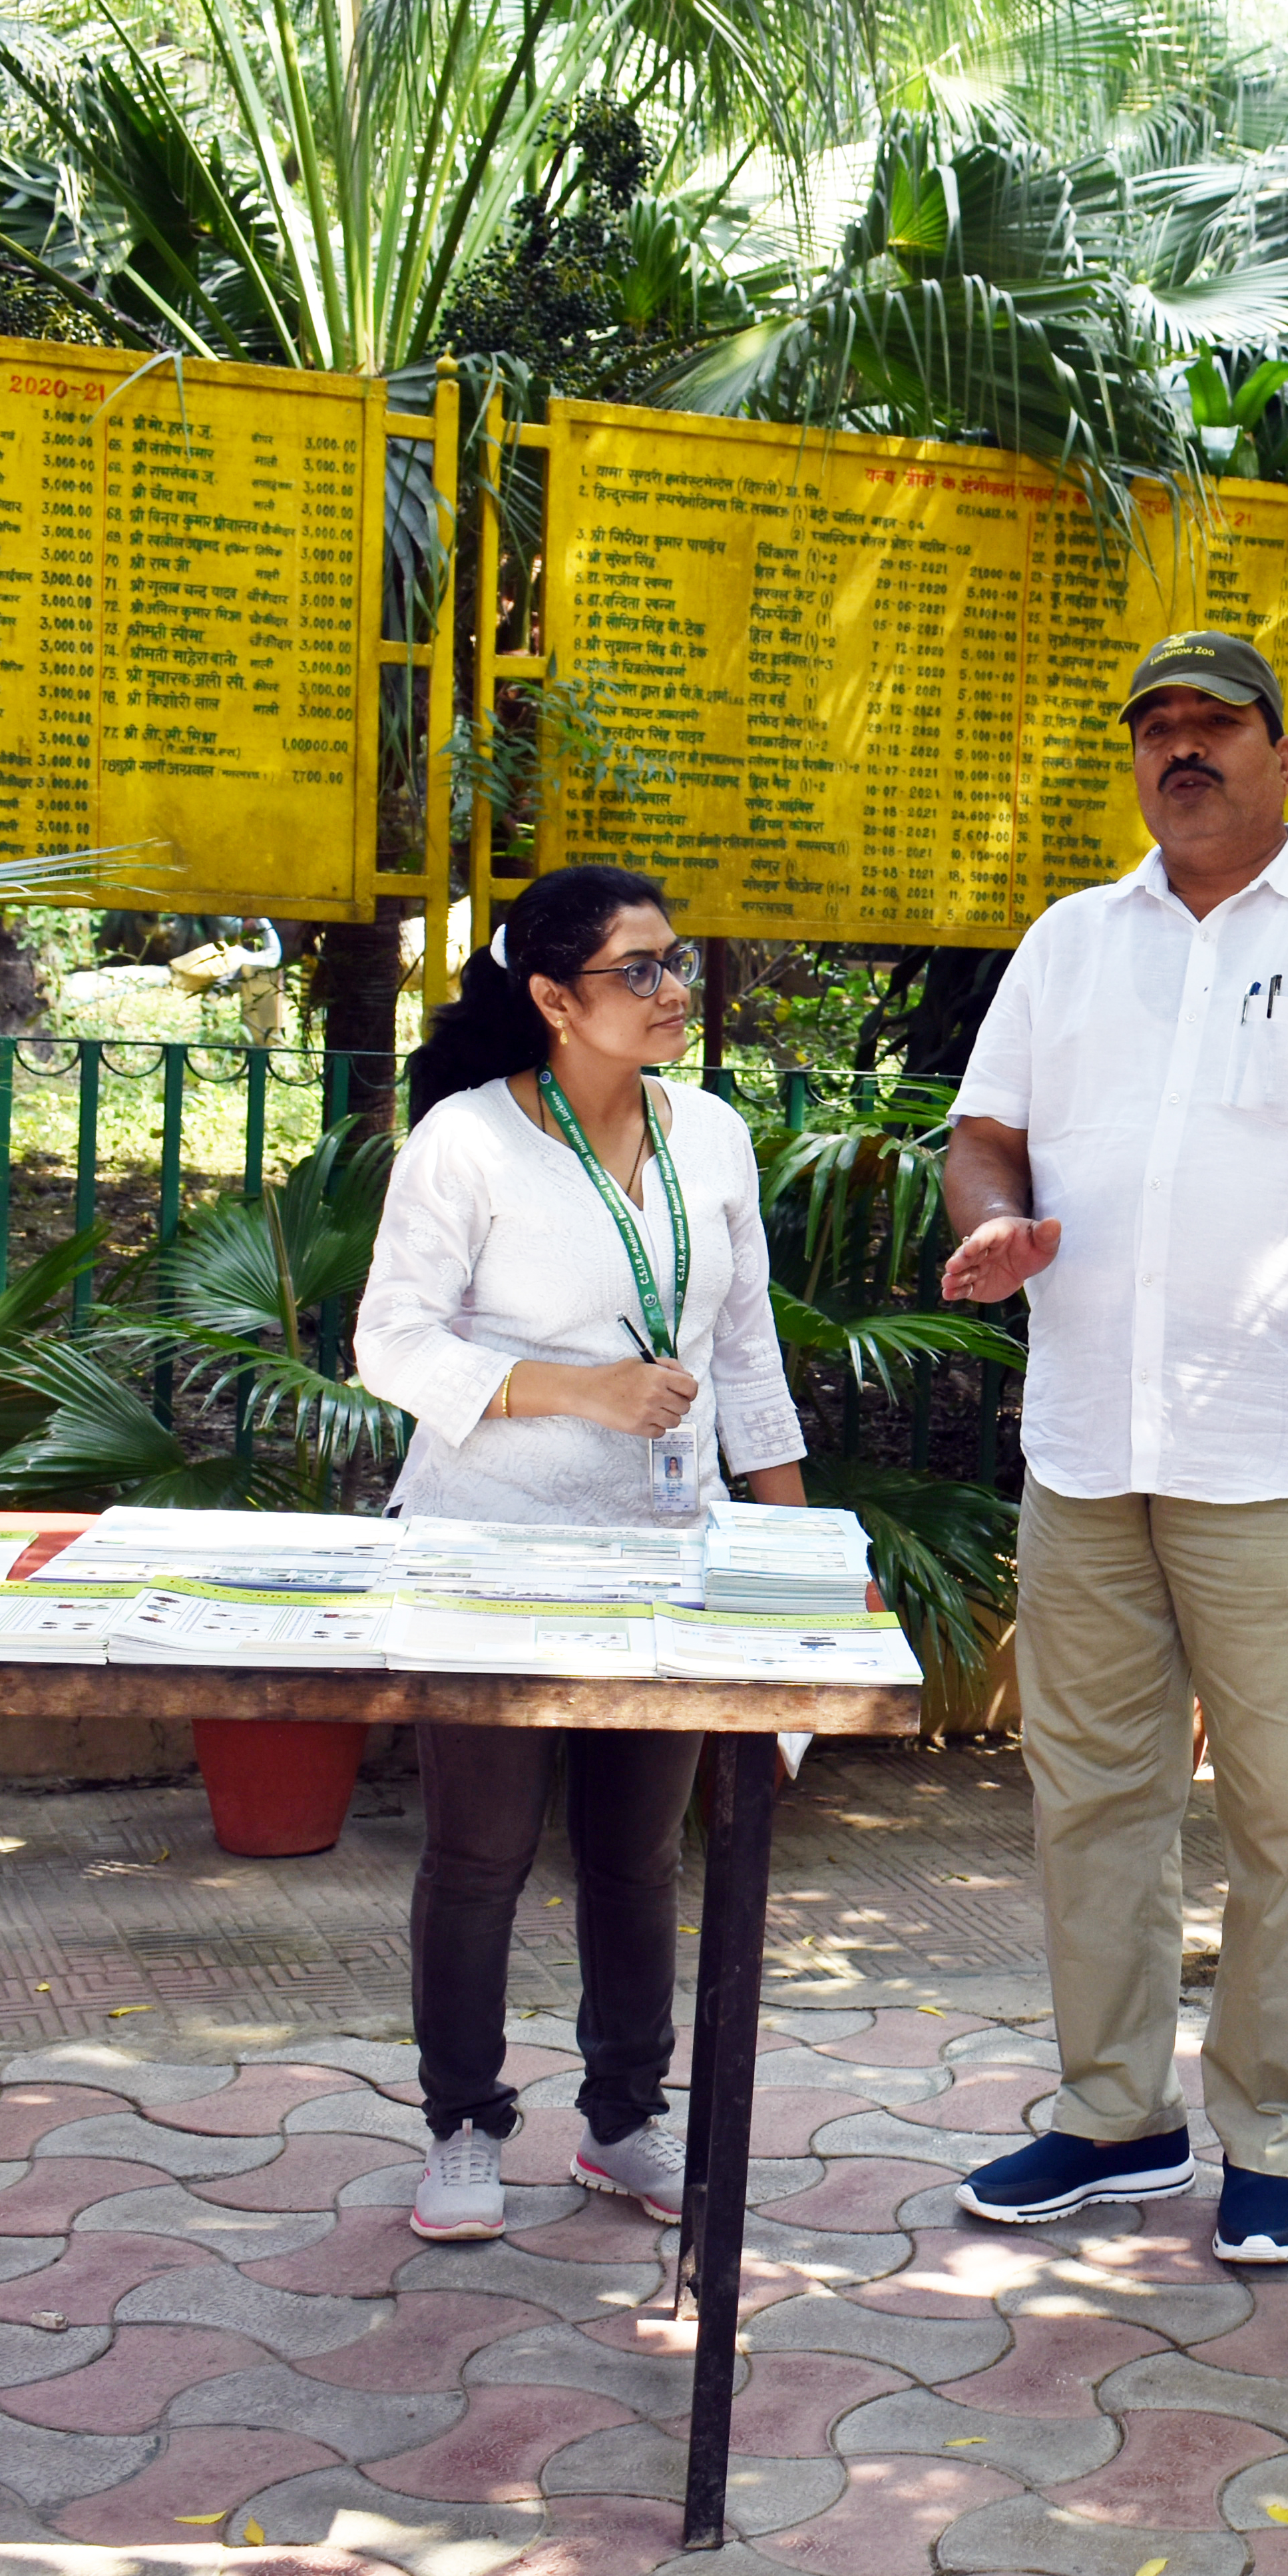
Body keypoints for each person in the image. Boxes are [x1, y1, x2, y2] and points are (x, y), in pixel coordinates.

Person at [938, 629, 1288, 2268]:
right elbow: (985, 1135)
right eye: (1155, 728)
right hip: (1087, 1447)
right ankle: (1113, 2117)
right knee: (1090, 1799)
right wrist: (1001, 1223)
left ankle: (1276, 2132)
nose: (1182, 750)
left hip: (1282, 1455)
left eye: (1216, 726)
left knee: (1282, 1811)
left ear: (1281, 755)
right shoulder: (1069, 940)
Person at [355, 863, 809, 2246]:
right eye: (639, 972)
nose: (675, 993)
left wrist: (794, 1560)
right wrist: (583, 1387)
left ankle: (624, 2119)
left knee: (636, 1853)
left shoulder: (713, 1135)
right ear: (555, 999)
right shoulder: (467, 1142)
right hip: (488, 1546)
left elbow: (746, 1356)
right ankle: (463, 2124)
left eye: (678, 962)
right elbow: (392, 1343)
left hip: (665, 1545)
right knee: (481, 1848)